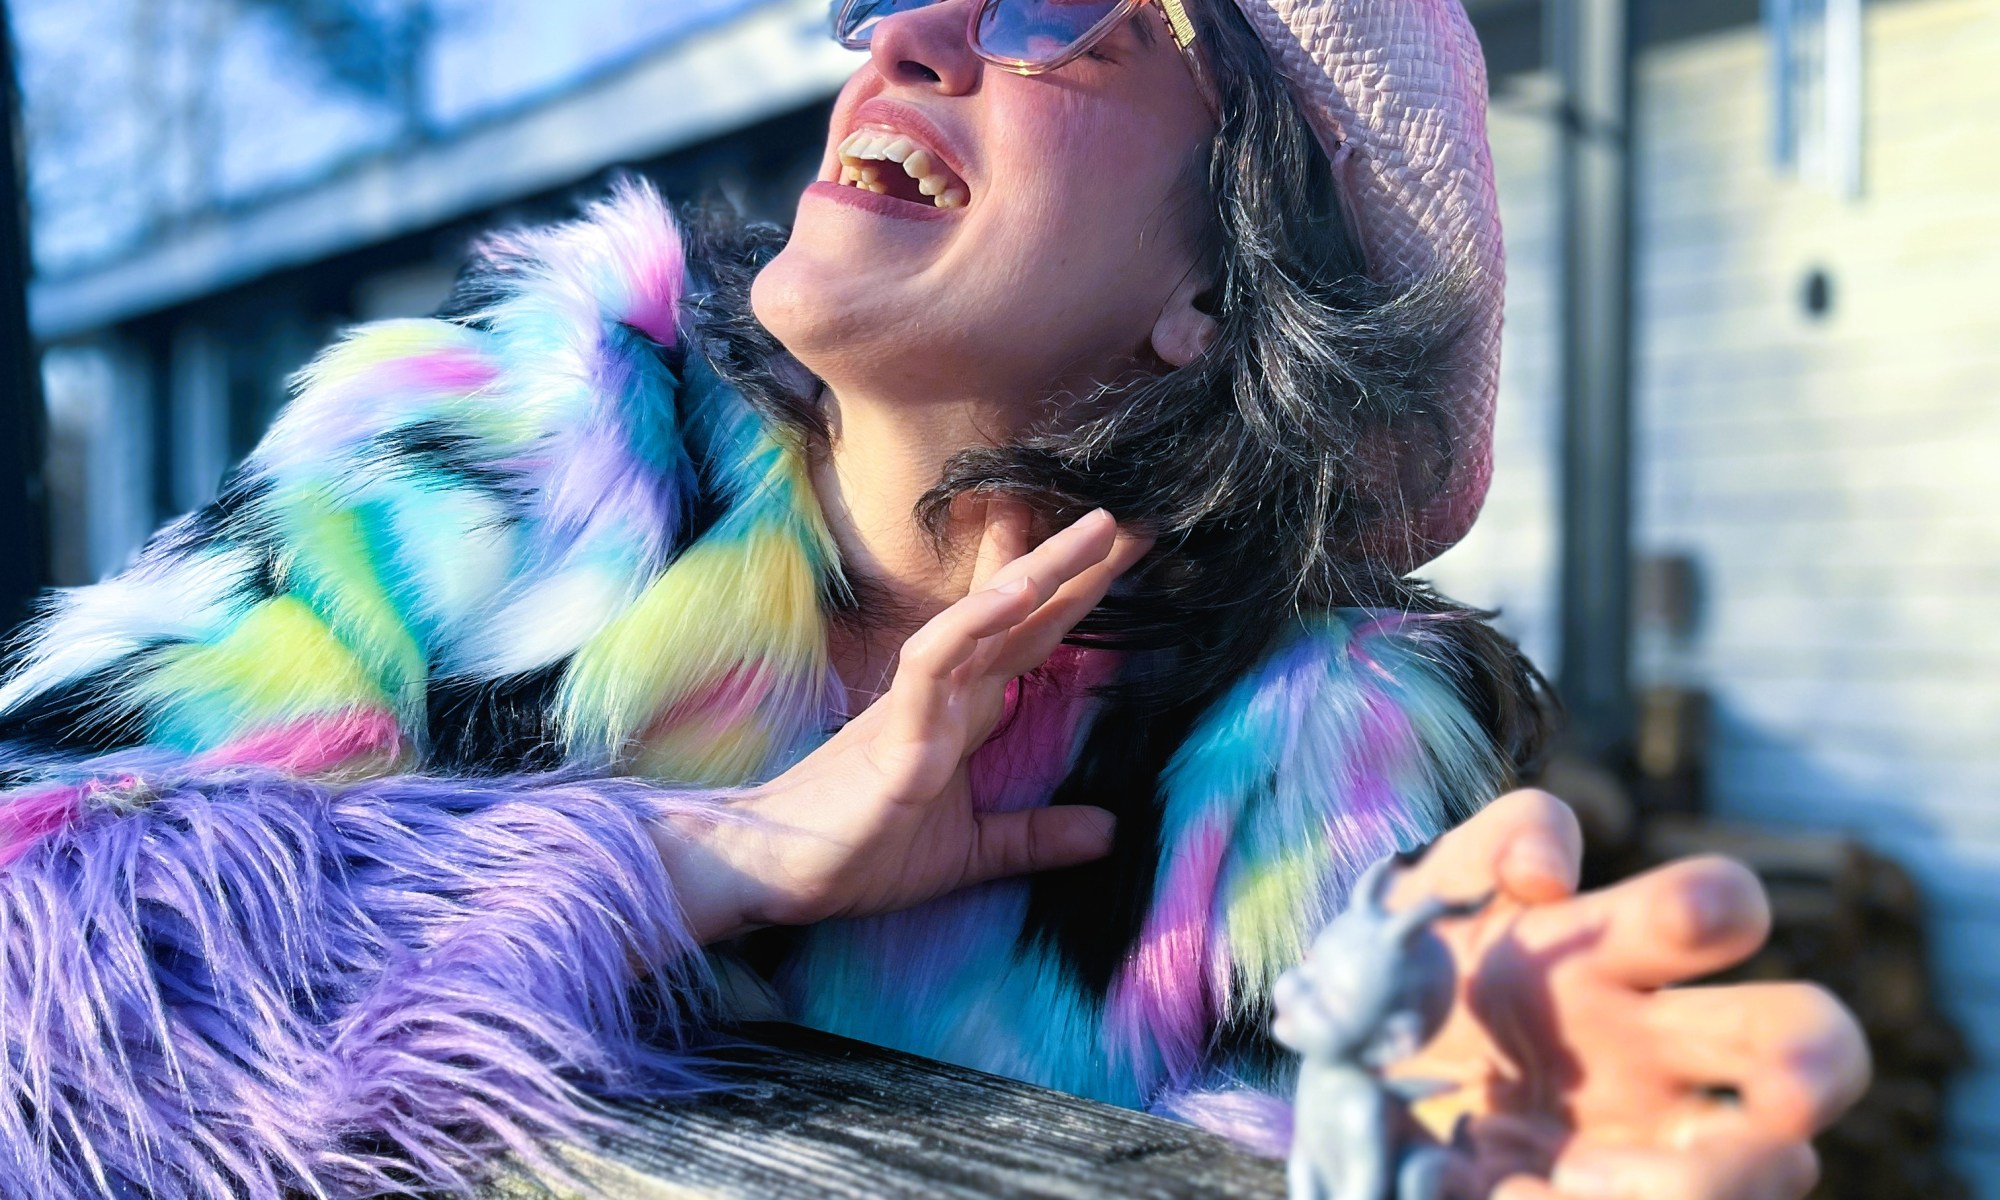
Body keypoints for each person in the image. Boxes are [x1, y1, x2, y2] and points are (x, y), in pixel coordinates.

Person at [0, 0, 1869, 1197]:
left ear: (1223, 279)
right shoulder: (498, 477)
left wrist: (1397, 1164)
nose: (906, 37)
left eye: (1066, 10)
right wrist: (695, 858)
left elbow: (1387, 1104)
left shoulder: (1308, 768)